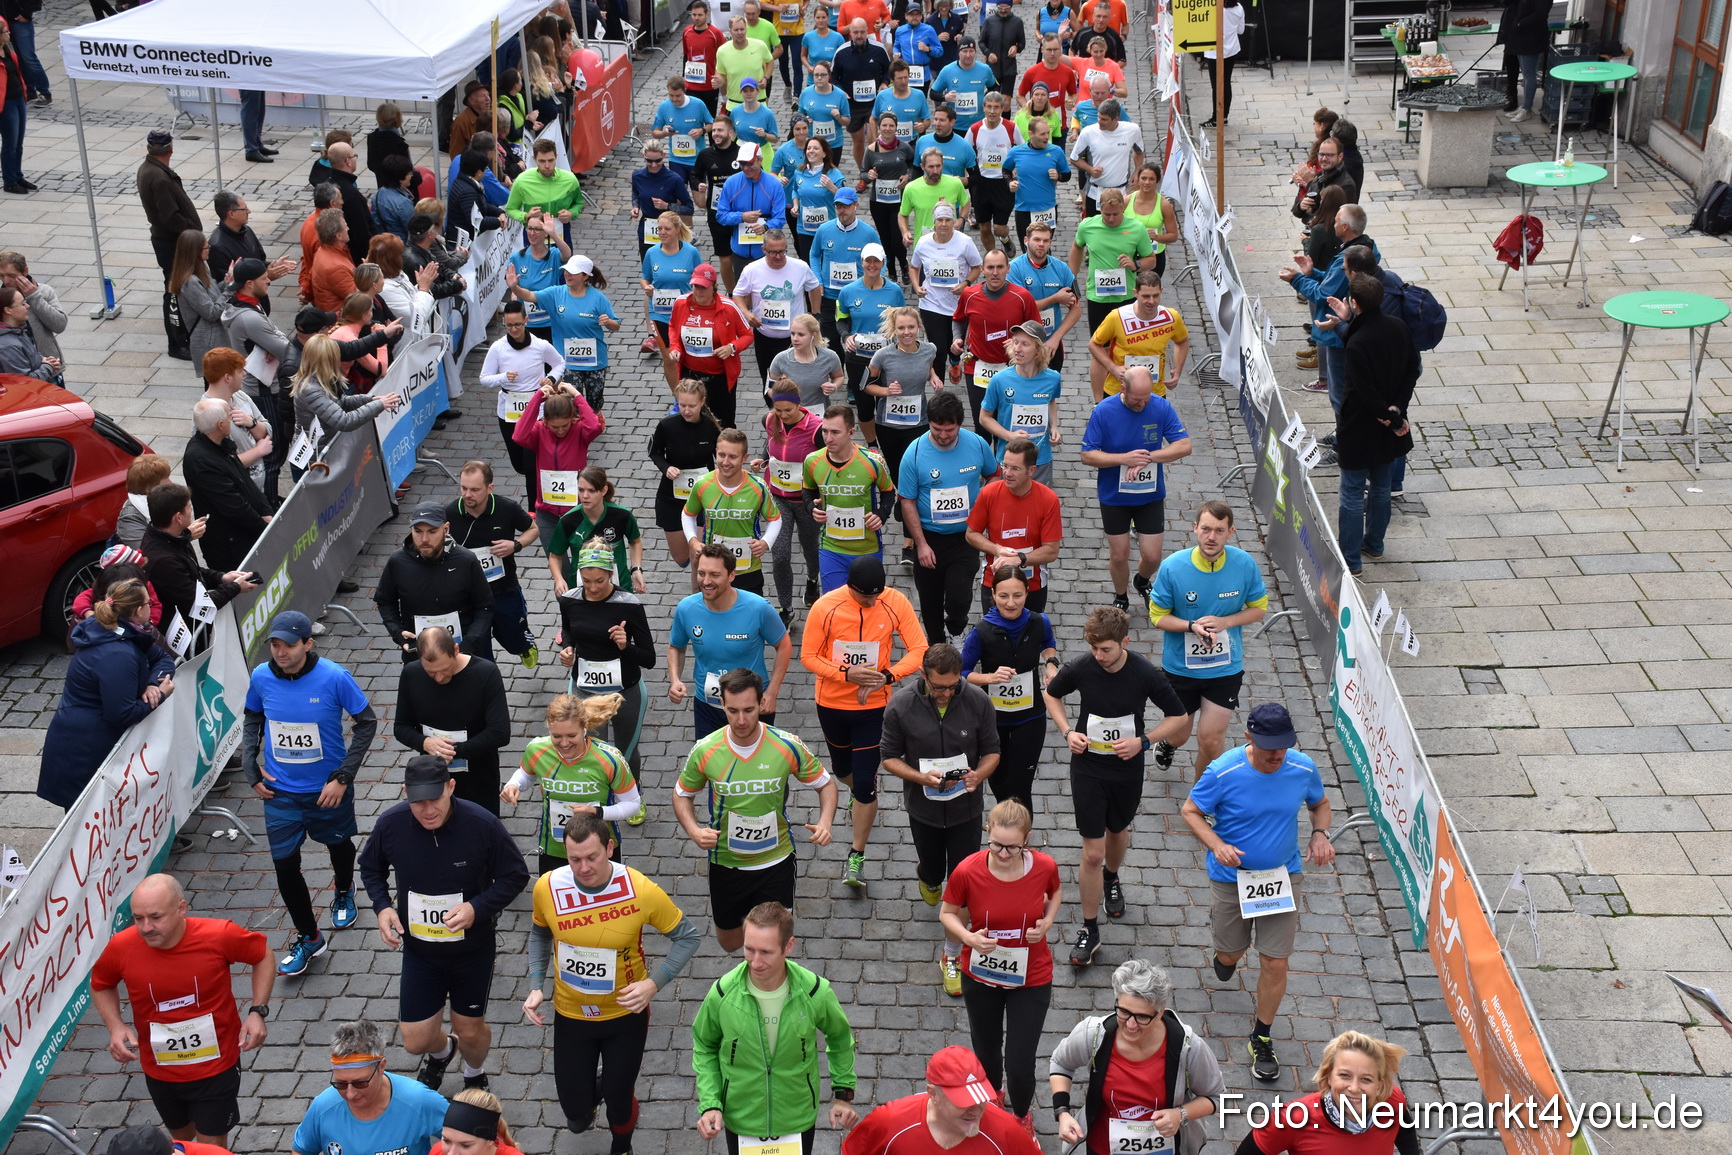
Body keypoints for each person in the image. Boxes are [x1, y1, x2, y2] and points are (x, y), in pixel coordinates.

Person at [524, 811, 703, 1148]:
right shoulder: (548, 886)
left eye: (592, 857)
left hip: (625, 1015)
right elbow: (539, 933)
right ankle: (605, 1085)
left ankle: (622, 1145)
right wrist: (536, 984)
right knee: (576, 1116)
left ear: (609, 847)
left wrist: (653, 983)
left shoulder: (640, 889)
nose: (583, 867)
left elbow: (688, 937)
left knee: (619, 1104)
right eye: (574, 859)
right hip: (572, 1014)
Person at [1181, 702, 1333, 1082]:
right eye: (1268, 747)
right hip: (1232, 879)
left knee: (1275, 962)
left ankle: (1261, 1035)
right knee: (1231, 953)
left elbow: (1320, 803)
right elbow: (1190, 811)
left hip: (1283, 875)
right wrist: (1216, 844)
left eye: (1283, 746)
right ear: (1249, 737)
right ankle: (1226, 954)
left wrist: (1319, 833)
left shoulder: (1301, 767)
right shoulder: (1224, 771)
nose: (1276, 755)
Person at [359, 757, 529, 1092]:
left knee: (469, 1029)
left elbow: (515, 875)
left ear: (451, 788)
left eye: (434, 799)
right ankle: (443, 1051)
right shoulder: (391, 825)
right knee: (414, 1040)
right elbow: (370, 867)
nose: (427, 810)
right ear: (406, 793)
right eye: (417, 802)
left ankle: (473, 1073)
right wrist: (382, 907)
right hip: (421, 952)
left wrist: (476, 908)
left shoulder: (482, 824)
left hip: (472, 950)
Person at [1041, 605, 1187, 965]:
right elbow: (1051, 693)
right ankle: (1089, 929)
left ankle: (1112, 878)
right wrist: (1067, 731)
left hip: (1126, 767)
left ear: (1125, 641)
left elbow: (1179, 716)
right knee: (1092, 850)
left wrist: (1145, 741)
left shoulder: (1143, 672)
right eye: (1093, 648)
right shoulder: (1083, 666)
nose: (1098, 656)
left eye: (1105, 649)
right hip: (1088, 766)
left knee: (1117, 831)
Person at [243, 611, 378, 977]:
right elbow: (253, 716)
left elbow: (367, 723)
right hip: (280, 793)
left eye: (288, 644)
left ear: (308, 644)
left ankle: (345, 889)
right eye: (275, 644)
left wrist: (343, 777)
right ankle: (309, 936)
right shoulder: (260, 677)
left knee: (338, 844)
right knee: (285, 866)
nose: (280, 651)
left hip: (327, 791)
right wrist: (249, 763)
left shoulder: (334, 677)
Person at [91, 876, 270, 1148]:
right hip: (161, 1071)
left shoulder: (218, 935)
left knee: (210, 1146)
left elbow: (262, 955)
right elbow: (101, 984)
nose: (146, 927)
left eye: (155, 917)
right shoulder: (122, 946)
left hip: (216, 1067)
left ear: (181, 908)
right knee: (181, 1143)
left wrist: (258, 1011)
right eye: (138, 918)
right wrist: (115, 1026)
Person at [675, 668, 839, 950]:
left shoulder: (786, 744)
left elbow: (826, 785)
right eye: (733, 710)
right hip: (727, 861)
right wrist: (693, 830)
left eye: (749, 710)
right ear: (722, 705)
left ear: (762, 704)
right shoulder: (706, 750)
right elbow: (681, 795)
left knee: (772, 944)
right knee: (729, 943)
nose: (741, 720)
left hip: (775, 861)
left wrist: (825, 822)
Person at [801, 554, 928, 888]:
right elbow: (809, 656)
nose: (872, 602)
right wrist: (847, 673)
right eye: (865, 597)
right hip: (831, 704)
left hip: (874, 708)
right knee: (845, 772)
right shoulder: (825, 607)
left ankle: (856, 854)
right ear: (850, 588)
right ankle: (858, 797)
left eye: (876, 595)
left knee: (866, 782)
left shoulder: (894, 602)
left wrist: (886, 676)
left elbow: (919, 650)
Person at [692, 902, 860, 1154]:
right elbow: (704, 1046)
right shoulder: (722, 993)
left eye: (766, 952)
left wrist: (843, 1097)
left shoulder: (816, 992)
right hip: (741, 1119)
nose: (755, 962)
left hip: (797, 1118)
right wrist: (709, 1104)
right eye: (749, 949)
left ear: (788, 946)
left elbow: (839, 1038)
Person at [938, 799, 1061, 1128]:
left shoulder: (1045, 867)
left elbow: (1055, 893)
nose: (1004, 854)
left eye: (1012, 848)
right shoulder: (968, 870)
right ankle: (992, 1105)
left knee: (1020, 1063)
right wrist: (969, 937)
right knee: (987, 1052)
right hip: (981, 976)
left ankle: (1021, 1116)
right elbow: (947, 914)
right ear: (987, 832)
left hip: (1030, 977)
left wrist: (1047, 923)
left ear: (1028, 839)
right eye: (996, 845)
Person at [883, 643, 999, 977]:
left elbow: (992, 751)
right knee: (934, 873)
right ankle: (928, 876)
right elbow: (888, 757)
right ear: (923, 675)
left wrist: (980, 774)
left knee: (962, 884)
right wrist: (921, 778)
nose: (946, 693)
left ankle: (951, 955)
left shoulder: (977, 700)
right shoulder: (901, 706)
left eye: (952, 686)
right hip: (924, 810)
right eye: (938, 687)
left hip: (966, 809)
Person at [1048, 959, 1224, 1155]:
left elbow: (1216, 1097)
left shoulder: (1188, 1047)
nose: (1130, 1025)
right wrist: (1062, 1113)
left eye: (1142, 1017)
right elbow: (1061, 1064)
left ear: (1159, 1014)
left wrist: (1180, 1114)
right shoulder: (1094, 1034)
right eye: (1123, 1012)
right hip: (1102, 1149)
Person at [1148, 501, 1270, 781]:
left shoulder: (1244, 564)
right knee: (1180, 734)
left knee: (1211, 742)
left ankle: (1201, 800)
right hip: (1181, 669)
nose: (1211, 537)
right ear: (1195, 529)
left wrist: (1226, 622)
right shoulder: (1173, 567)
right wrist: (1191, 626)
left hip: (1224, 668)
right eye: (1205, 529)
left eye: (1219, 530)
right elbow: (1157, 615)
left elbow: (1259, 608)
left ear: (1231, 532)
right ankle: (1168, 743)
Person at [36, 579, 174, 809]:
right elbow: (121, 713)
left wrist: (152, 683)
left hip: (88, 739)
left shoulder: (119, 629)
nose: (152, 606)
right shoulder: (118, 655)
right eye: (149, 602)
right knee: (87, 822)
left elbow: (162, 658)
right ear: (139, 610)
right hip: (85, 751)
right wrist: (159, 695)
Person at [1080, 365, 1191, 613]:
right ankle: (1121, 595)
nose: (1142, 404)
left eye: (1146, 398)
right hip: (1114, 496)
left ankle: (1141, 580)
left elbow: (1184, 446)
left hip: (1149, 495)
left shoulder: (1160, 407)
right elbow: (1087, 455)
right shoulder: (1104, 411)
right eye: (1136, 399)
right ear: (1122, 389)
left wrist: (1149, 457)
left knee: (1152, 557)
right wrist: (1123, 459)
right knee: (1119, 555)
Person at [1327, 275, 1418, 576]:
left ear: (1354, 303)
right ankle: (1374, 544)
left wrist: (1388, 415)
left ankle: (1351, 560)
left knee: (1352, 491)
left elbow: (1365, 392)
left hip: (1360, 426)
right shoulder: (1399, 328)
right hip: (1389, 424)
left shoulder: (1358, 342)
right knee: (1380, 486)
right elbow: (1411, 372)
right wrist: (1397, 412)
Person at [553, 545, 656, 809]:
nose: (593, 588)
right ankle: (599, 799)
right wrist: (568, 649)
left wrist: (626, 646)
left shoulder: (629, 604)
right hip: (584, 689)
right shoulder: (570, 600)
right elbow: (569, 630)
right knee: (591, 750)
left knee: (625, 752)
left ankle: (635, 797)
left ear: (611, 574)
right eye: (586, 581)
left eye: (600, 581)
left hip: (625, 692)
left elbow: (649, 658)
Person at [897, 390, 998, 644]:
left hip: (966, 537)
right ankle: (935, 645)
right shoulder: (914, 453)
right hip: (929, 538)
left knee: (959, 597)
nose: (942, 435)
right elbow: (907, 501)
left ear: (959, 425)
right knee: (929, 600)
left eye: (949, 430)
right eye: (936, 429)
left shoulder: (976, 444)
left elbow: (994, 475)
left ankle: (956, 629)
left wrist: (983, 505)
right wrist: (920, 544)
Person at [669, 544, 794, 736]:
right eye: (701, 573)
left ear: (731, 575)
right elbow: (676, 647)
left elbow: (784, 645)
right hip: (708, 704)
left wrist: (771, 693)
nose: (706, 581)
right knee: (710, 764)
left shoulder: (758, 608)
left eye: (715, 575)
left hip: (751, 707)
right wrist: (675, 679)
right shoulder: (686, 608)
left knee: (754, 763)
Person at [960, 566, 1057, 810]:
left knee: (1021, 785)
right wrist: (989, 678)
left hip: (1030, 716)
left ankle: (1021, 841)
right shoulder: (981, 632)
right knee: (1000, 783)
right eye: (1003, 596)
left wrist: (1051, 664)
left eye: (1017, 595)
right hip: (993, 719)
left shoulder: (1039, 622)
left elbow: (1047, 643)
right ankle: (1008, 830)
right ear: (992, 594)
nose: (1011, 603)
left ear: (1027, 593)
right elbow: (961, 673)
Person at [1236, 1031, 1421, 1153]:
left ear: (1380, 1085)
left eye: (1366, 1079)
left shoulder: (1392, 1100)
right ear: (1329, 1076)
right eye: (1345, 1075)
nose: (1354, 1088)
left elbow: (1407, 1141)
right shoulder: (1292, 1119)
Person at [393, 628, 513, 814]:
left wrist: (453, 751)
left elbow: (500, 732)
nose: (439, 678)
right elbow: (401, 727)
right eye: (431, 673)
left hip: (479, 776)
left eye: (444, 670)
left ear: (456, 650)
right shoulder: (411, 674)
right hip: (433, 778)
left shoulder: (485, 673)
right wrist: (425, 742)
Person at [843, 1046, 1043, 1155]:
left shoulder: (1007, 1132)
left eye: (980, 1098)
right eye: (963, 1101)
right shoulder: (889, 1123)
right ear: (933, 1094)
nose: (976, 1110)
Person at [291, 1020, 449, 1155]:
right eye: (340, 1084)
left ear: (381, 1067)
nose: (350, 1094)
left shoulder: (419, 1101)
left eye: (360, 1083)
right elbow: (301, 1150)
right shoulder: (323, 1107)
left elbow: (468, 1138)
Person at [375, 501, 497, 663]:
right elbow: (385, 601)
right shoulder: (398, 561)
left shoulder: (465, 560)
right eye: (417, 531)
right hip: (419, 656)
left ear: (445, 529)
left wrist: (469, 643)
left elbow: (485, 606)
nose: (424, 539)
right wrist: (398, 633)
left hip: (464, 653)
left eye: (432, 531)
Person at [504, 254, 621, 413]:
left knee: (594, 400)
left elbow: (616, 326)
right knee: (570, 400)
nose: (567, 275)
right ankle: (575, 429)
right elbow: (531, 296)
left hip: (595, 362)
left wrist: (608, 322)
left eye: (573, 272)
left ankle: (594, 416)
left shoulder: (598, 298)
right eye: (566, 271)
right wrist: (514, 287)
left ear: (585, 276)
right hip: (568, 361)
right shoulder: (555, 294)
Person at [138, 483, 258, 630]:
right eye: (189, 508)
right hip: (186, 632)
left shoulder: (172, 536)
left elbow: (191, 569)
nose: (192, 511)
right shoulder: (164, 561)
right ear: (178, 518)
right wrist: (235, 588)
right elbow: (200, 605)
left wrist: (222, 578)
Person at [803, 403, 897, 590]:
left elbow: (888, 492)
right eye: (825, 431)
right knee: (835, 604)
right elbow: (807, 490)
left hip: (867, 548)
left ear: (851, 432)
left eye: (835, 432)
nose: (828, 438)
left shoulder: (873, 461)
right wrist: (811, 507)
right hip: (831, 548)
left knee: (867, 602)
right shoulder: (812, 461)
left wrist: (882, 513)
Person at [964, 432, 1062, 608]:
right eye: (1005, 465)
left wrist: (1020, 559)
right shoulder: (989, 493)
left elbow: (1051, 551)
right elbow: (971, 534)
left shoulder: (1048, 499)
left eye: (1015, 468)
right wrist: (997, 549)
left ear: (1031, 470)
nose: (1007, 473)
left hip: (1033, 585)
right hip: (994, 581)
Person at [684, 428, 784, 597]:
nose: (725, 462)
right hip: (713, 570)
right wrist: (692, 541)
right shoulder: (702, 484)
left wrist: (766, 542)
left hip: (748, 569)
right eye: (721, 455)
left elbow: (775, 519)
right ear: (715, 452)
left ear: (745, 458)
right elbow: (688, 514)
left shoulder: (758, 486)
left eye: (733, 457)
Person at [479, 303, 561, 506]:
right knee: (519, 465)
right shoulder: (498, 348)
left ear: (526, 320)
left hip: (537, 411)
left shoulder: (540, 345)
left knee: (531, 464)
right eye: (509, 325)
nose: (514, 329)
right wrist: (502, 378)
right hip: (508, 411)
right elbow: (484, 378)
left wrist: (550, 378)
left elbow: (560, 363)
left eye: (517, 324)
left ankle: (534, 508)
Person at [952, 249, 1041, 431]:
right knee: (982, 424)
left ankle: (1005, 460)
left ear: (1008, 268)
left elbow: (1037, 331)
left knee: (1007, 425)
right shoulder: (969, 295)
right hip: (977, 367)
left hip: (1011, 368)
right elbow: (958, 319)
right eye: (990, 267)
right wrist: (957, 338)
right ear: (983, 269)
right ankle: (986, 459)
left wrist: (1019, 340)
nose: (995, 272)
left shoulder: (1022, 297)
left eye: (1000, 267)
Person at [512, 380, 607, 544]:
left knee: (582, 564)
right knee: (557, 566)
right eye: (555, 427)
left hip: (579, 510)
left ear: (572, 417)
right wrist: (537, 399)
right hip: (546, 512)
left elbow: (594, 426)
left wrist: (577, 396)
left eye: (565, 425)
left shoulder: (579, 431)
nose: (561, 430)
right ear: (546, 421)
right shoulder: (539, 431)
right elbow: (518, 435)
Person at [183, 399, 271, 571]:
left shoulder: (219, 444)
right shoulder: (200, 460)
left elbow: (246, 481)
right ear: (221, 425)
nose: (231, 421)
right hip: (231, 546)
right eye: (228, 418)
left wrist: (266, 510)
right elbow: (232, 505)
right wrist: (264, 528)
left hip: (246, 533)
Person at [759, 391, 825, 618]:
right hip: (778, 498)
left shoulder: (816, 429)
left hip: (806, 501)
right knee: (779, 555)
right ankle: (786, 608)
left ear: (799, 404)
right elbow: (770, 445)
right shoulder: (770, 420)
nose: (783, 415)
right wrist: (764, 459)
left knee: (810, 546)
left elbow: (826, 460)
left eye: (788, 410)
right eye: (779, 410)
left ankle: (812, 578)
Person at [671, 262, 757, 431]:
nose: (698, 291)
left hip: (720, 377)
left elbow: (748, 335)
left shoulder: (729, 307)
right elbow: (673, 326)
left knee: (724, 424)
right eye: (695, 286)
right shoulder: (681, 303)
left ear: (714, 287)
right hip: (691, 374)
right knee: (691, 420)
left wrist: (731, 348)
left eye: (703, 287)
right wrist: (675, 347)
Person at [650, 378, 723, 573]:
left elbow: (721, 457)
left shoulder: (711, 427)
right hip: (672, 497)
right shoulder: (667, 425)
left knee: (697, 553)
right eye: (682, 405)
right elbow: (654, 452)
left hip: (702, 497)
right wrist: (666, 468)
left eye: (692, 405)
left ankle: (700, 597)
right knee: (682, 558)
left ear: (702, 402)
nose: (687, 410)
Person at [734, 230, 823, 386]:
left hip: (794, 338)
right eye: (773, 252)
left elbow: (814, 287)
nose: (778, 256)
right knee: (769, 381)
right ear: (764, 250)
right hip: (764, 336)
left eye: (782, 251)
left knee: (797, 382)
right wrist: (746, 313)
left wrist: (815, 313)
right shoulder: (752, 269)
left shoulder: (800, 267)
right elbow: (738, 294)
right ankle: (772, 409)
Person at [908, 204, 980, 386]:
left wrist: (965, 284)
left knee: (955, 345)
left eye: (948, 220)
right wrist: (917, 287)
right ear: (934, 223)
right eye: (940, 220)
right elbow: (914, 267)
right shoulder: (924, 243)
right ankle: (938, 383)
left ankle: (955, 363)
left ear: (954, 222)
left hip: (958, 304)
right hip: (931, 304)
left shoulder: (964, 242)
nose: (944, 224)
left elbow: (977, 267)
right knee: (938, 349)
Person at [1089, 270, 1189, 399]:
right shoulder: (1117, 316)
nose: (1151, 301)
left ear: (1161, 291)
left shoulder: (1171, 317)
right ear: (1135, 293)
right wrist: (1113, 368)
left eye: (1156, 295)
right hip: (1119, 391)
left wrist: (1178, 370)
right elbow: (1094, 344)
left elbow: (1182, 341)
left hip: (1154, 392)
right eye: (1146, 296)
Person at [547, 467, 645, 598]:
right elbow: (555, 556)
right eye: (581, 490)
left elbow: (635, 541)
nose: (585, 496)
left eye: (591, 491)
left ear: (603, 490)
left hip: (620, 588)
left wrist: (636, 569)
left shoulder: (622, 515)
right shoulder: (568, 521)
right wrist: (558, 579)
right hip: (580, 592)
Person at [810, 186, 880, 352]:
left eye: (846, 206)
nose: (842, 210)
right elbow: (814, 255)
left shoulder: (868, 233)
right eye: (838, 206)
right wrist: (818, 280)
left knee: (858, 341)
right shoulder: (824, 230)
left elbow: (881, 260)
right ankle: (837, 373)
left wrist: (875, 284)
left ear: (855, 206)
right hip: (830, 296)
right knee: (829, 342)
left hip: (858, 296)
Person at [641, 211, 704, 386]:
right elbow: (645, 276)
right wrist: (647, 286)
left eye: (667, 228)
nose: (662, 232)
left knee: (687, 356)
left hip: (685, 312)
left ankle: (692, 391)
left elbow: (702, 279)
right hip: (659, 314)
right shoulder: (652, 253)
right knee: (669, 358)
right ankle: (678, 396)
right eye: (659, 228)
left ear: (677, 229)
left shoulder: (691, 252)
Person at [201, 348, 273, 497]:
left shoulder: (240, 396)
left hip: (257, 487)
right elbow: (220, 465)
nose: (245, 374)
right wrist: (259, 451)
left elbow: (267, 430)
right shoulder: (208, 413)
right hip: (239, 494)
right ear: (227, 378)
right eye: (240, 372)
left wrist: (251, 423)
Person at [137, 130, 202, 281]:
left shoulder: (148, 168)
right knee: (175, 286)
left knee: (174, 283)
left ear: (148, 148)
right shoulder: (160, 178)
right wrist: (191, 231)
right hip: (173, 243)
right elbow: (170, 216)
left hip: (165, 239)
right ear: (171, 148)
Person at [717, 142, 789, 273]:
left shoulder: (774, 185)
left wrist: (765, 227)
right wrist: (741, 216)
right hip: (740, 252)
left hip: (766, 252)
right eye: (742, 164)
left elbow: (780, 218)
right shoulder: (731, 183)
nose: (745, 168)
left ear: (760, 160)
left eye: (750, 163)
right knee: (743, 292)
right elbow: (721, 215)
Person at [860, 114, 916, 283]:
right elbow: (863, 173)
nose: (887, 128)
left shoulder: (904, 148)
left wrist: (908, 176)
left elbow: (913, 166)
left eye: (891, 125)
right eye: (884, 125)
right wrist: (869, 175)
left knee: (897, 239)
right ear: (879, 128)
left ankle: (904, 265)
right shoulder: (871, 150)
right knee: (885, 238)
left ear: (896, 127)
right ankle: (890, 267)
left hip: (898, 201)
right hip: (878, 202)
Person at [964, 93, 1019, 256]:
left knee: (1000, 229)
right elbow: (966, 153)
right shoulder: (974, 129)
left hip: (1003, 183)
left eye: (996, 107)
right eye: (989, 107)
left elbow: (1022, 150)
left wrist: (1016, 171)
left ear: (1003, 108)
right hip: (981, 184)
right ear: (984, 108)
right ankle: (994, 258)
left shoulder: (1011, 127)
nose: (992, 111)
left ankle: (1005, 239)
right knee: (984, 227)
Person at [1002, 115, 1070, 248]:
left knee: (1043, 247)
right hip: (1024, 209)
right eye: (1042, 134)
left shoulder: (1056, 151)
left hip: (1047, 209)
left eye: (1048, 133)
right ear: (1030, 134)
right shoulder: (1016, 152)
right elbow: (1005, 170)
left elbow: (1067, 175)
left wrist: (1059, 176)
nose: (1046, 137)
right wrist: (1009, 182)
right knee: (1026, 248)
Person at [694, 120, 745, 292]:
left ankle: (745, 291)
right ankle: (732, 294)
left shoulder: (741, 154)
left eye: (720, 130)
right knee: (725, 258)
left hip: (740, 213)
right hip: (717, 212)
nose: (715, 133)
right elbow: (695, 175)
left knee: (744, 256)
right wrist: (699, 184)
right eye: (714, 130)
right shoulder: (705, 155)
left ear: (731, 133)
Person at [0, 249, 66, 367]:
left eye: (11, 275)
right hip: (16, 365)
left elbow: (59, 325)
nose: (6, 281)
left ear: (25, 271)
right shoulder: (1, 299)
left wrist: (34, 297)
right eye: (1, 276)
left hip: (50, 365)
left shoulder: (44, 291)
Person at [504, 136, 585, 230]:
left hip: (561, 231)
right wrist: (525, 216)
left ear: (556, 157)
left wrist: (571, 213)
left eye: (551, 160)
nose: (547, 166)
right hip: (533, 233)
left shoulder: (570, 180)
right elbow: (510, 209)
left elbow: (578, 203)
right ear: (534, 159)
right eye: (542, 161)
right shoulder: (522, 181)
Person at [788, 137, 847, 263]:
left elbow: (846, 199)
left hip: (827, 229)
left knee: (826, 265)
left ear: (824, 153)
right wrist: (795, 205)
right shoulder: (799, 171)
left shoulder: (834, 173)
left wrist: (832, 187)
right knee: (808, 265)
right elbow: (795, 191)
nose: (811, 151)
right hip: (804, 229)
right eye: (808, 148)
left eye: (816, 148)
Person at [629, 142, 695, 254]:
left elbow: (689, 208)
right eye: (649, 161)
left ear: (663, 156)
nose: (654, 165)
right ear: (644, 157)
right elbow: (636, 194)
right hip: (647, 229)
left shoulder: (674, 179)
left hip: (669, 230)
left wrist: (667, 206)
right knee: (648, 266)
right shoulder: (637, 176)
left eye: (658, 161)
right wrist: (636, 206)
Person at [900, 148, 968, 250]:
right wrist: (905, 232)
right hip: (924, 246)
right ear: (922, 167)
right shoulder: (911, 188)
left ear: (943, 165)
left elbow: (966, 202)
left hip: (951, 243)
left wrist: (961, 219)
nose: (935, 171)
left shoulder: (955, 183)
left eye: (938, 166)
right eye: (931, 167)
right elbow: (902, 214)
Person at [652, 77, 715, 186]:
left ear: (684, 90)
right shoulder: (664, 107)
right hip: (676, 159)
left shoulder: (698, 104)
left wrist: (701, 131)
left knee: (700, 201)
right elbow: (655, 133)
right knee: (679, 198)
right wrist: (664, 133)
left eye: (678, 96)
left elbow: (712, 124)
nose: (674, 99)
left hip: (697, 159)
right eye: (671, 95)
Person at [1499, 0, 1552, 124]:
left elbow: (1540, 14)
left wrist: (1520, 23)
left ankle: (1527, 108)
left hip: (1531, 37)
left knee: (1529, 74)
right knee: (1525, 72)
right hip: (1520, 36)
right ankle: (1523, 107)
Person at [1124, 162, 1178, 280]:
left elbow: (1173, 235)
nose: (1147, 182)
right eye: (1144, 178)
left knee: (1150, 294)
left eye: (1151, 179)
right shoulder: (1126, 201)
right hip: (1130, 254)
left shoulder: (1164, 205)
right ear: (1138, 178)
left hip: (1155, 256)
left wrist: (1157, 237)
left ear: (1156, 181)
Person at [430, 1090, 524, 1155]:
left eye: (465, 1145)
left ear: (490, 1140)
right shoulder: (437, 1151)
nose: (451, 1153)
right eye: (446, 1140)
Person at [935, 38, 998, 133]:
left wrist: (987, 102)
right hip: (955, 125)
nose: (968, 55)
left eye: (971, 51)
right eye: (964, 51)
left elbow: (994, 87)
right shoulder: (947, 70)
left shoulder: (985, 69)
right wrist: (945, 97)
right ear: (959, 53)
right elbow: (933, 93)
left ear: (975, 52)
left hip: (978, 125)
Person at [1197, 0, 1243, 126]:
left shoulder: (1212, 8)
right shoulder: (1238, 8)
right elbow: (1241, 30)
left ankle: (1216, 117)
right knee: (1226, 82)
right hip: (1231, 50)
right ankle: (1224, 115)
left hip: (1214, 52)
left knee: (1216, 86)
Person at [0, 283, 58, 379]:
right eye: (22, 304)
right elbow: (25, 382)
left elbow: (30, 355)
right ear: (8, 310)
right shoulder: (9, 346)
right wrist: (48, 367)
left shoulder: (18, 330)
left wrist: (43, 359)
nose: (27, 306)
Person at [717, 15, 776, 107]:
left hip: (759, 102)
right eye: (736, 30)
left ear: (746, 29)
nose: (740, 33)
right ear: (730, 31)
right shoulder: (722, 51)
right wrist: (719, 80)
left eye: (742, 29)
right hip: (734, 103)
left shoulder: (760, 46)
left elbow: (770, 61)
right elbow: (720, 72)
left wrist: (766, 78)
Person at [682, 0, 730, 114]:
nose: (696, 18)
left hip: (709, 85)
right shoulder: (686, 32)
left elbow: (723, 58)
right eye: (694, 15)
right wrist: (683, 77)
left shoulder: (716, 33)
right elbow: (686, 55)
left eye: (700, 15)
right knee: (693, 119)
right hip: (691, 85)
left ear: (707, 14)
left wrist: (721, 79)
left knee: (710, 119)